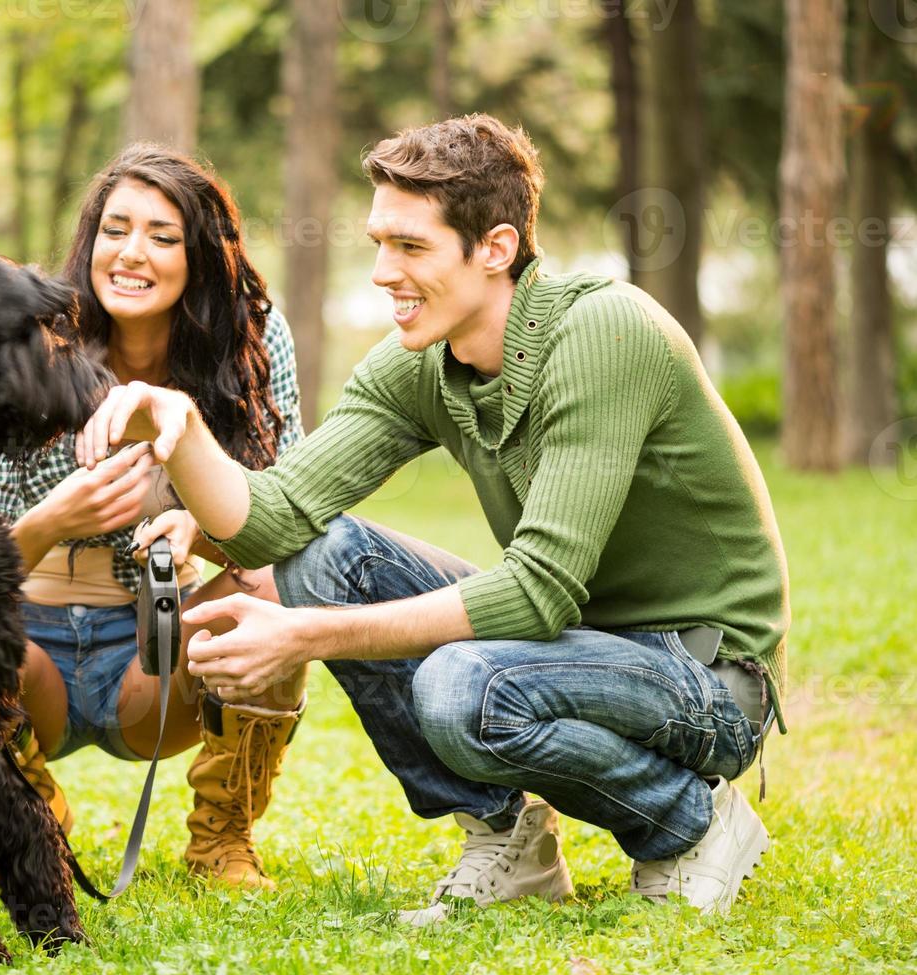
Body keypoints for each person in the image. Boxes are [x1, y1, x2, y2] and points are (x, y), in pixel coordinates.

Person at [75, 115, 789, 921]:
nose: (383, 273)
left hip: (707, 673)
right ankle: (507, 837)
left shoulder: (604, 332)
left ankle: (693, 824)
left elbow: (536, 596)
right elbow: (274, 519)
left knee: (460, 686)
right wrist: (178, 427)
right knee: (324, 556)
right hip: (583, 648)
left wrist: (302, 634)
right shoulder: (419, 361)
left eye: (411, 248)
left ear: (496, 247)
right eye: (380, 242)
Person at [0, 144, 307, 890]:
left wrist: (211, 527)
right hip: (32, 659)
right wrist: (55, 519)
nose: (132, 254)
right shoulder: (31, 341)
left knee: (278, 588)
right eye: (115, 229)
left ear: (200, 257)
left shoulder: (251, 336)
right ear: (89, 239)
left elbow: (291, 502)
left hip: (155, 658)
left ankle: (222, 838)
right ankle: (30, 826)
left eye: (162, 237)